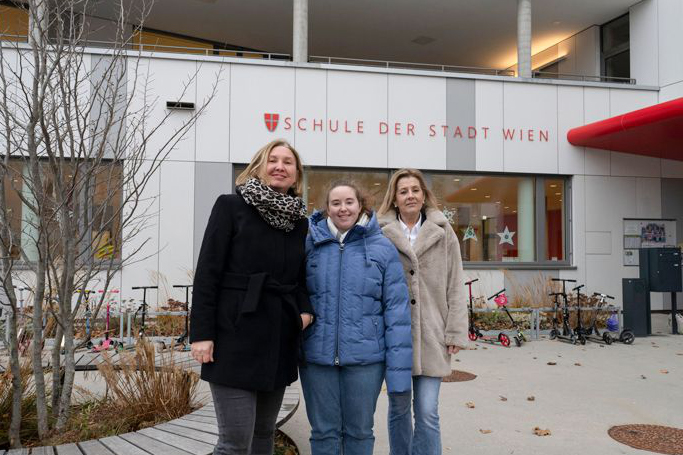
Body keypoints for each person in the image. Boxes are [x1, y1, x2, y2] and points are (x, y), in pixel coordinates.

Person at [190, 139, 315, 455]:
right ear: (258, 167)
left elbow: (300, 278)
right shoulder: (231, 206)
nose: (279, 166)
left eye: (288, 162)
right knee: (234, 443)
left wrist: (304, 310)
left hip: (278, 338)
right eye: (272, 160)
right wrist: (202, 334)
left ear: (296, 174)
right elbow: (207, 272)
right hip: (233, 335)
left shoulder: (299, 222)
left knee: (263, 436)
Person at [301, 180, 412, 455]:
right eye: (335, 203)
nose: (343, 209)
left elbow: (396, 311)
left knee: (360, 433)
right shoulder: (310, 244)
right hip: (317, 357)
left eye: (349, 202)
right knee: (323, 433)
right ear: (327, 209)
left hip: (366, 360)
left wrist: (398, 375)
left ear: (360, 204)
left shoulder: (382, 248)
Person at [377, 169, 468, 455]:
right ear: (394, 199)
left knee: (428, 412)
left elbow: (455, 282)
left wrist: (454, 330)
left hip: (432, 333)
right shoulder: (381, 233)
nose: (410, 196)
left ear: (424, 195)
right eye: (403, 191)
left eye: (415, 190)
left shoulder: (443, 231)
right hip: (397, 337)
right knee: (399, 410)